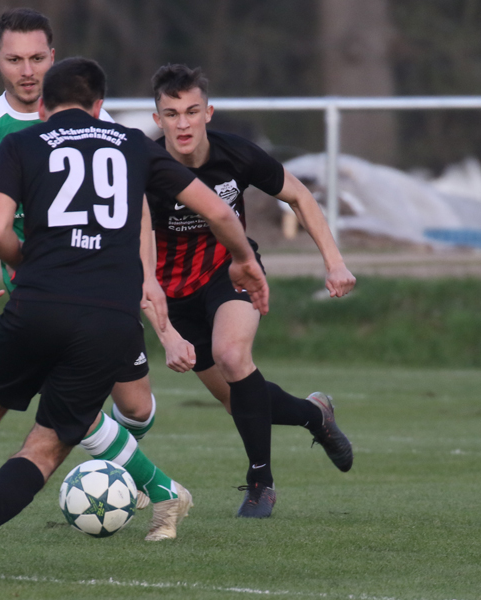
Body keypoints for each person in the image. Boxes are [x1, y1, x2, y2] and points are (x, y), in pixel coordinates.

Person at [0, 57, 269, 579]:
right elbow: (218, 212)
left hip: (38, 303)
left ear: (44, 108)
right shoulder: (133, 143)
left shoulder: (21, 143)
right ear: (99, 106)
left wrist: (29, 264)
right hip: (110, 317)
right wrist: (244, 260)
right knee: (47, 445)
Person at [0, 8, 189, 550]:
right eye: (15, 60)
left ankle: (133, 476)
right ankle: (161, 489)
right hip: (41, 299)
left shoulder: (96, 122)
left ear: (53, 57)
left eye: (37, 58)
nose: (28, 71)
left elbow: (136, 208)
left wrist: (147, 276)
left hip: (108, 292)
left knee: (136, 407)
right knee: (66, 413)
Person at [146, 64, 357, 518]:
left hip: (230, 273)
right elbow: (133, 258)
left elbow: (299, 195)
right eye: (172, 114)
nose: (183, 124)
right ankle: (315, 416)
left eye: (192, 111)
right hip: (172, 293)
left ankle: (261, 483)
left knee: (233, 356)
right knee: (236, 399)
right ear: (157, 119)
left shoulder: (236, 154)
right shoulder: (142, 168)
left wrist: (335, 262)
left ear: (208, 113)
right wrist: (164, 331)